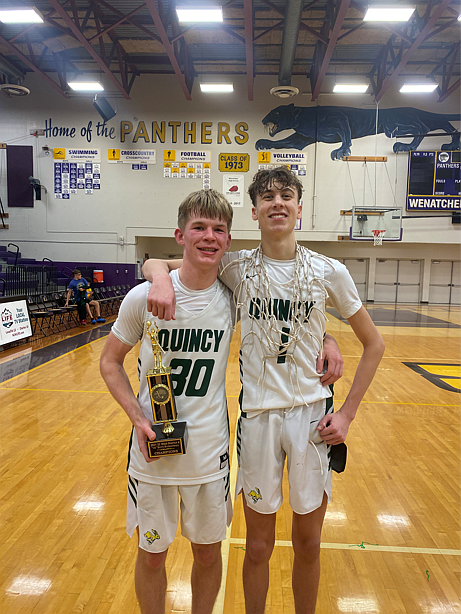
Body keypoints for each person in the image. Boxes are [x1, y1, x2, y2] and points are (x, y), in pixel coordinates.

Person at [142, 166, 385, 614]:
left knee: (309, 544)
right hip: (257, 419)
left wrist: (347, 411)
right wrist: (157, 277)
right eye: (267, 196)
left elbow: (375, 343)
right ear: (254, 211)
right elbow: (165, 263)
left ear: (298, 208)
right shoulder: (235, 267)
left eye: (286, 195)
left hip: (312, 419)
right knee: (257, 547)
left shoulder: (329, 270)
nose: (277, 202)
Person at [100, 189, 236, 614]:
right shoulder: (143, 298)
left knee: (209, 555)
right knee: (152, 555)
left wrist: (326, 336)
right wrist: (138, 418)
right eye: (199, 227)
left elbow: (286, 313)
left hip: (209, 453)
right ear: (180, 234)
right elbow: (109, 363)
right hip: (151, 453)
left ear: (228, 241)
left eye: (218, 229)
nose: (208, 236)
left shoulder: (235, 298)